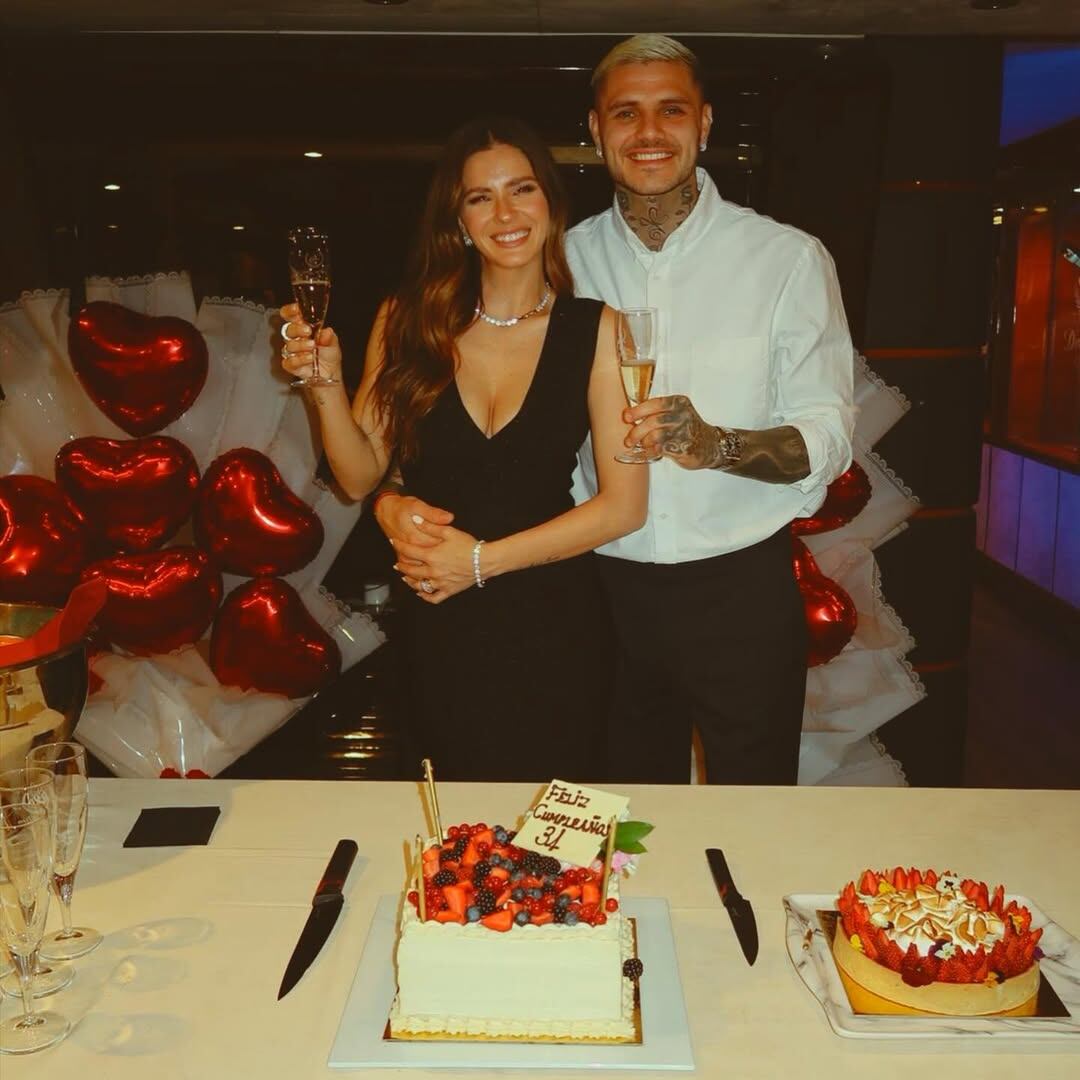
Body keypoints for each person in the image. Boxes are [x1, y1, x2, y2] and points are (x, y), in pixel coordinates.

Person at [377, 37, 855, 786]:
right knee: (622, 816)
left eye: (671, 110)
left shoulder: (785, 259)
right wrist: (392, 499)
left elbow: (829, 439)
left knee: (756, 807)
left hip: (737, 589)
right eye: (625, 113)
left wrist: (715, 444)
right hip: (600, 593)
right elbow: (456, 425)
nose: (649, 132)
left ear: (705, 124)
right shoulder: (556, 257)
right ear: (597, 132)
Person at [280, 115, 647, 782]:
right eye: (481, 197)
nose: (504, 212)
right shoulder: (408, 318)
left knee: (551, 835)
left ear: (551, 204)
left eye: (522, 189)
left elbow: (623, 508)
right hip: (439, 624)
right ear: (458, 217)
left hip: (556, 621)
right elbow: (359, 476)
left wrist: (478, 562)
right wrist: (323, 382)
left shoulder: (597, 330)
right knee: (454, 820)